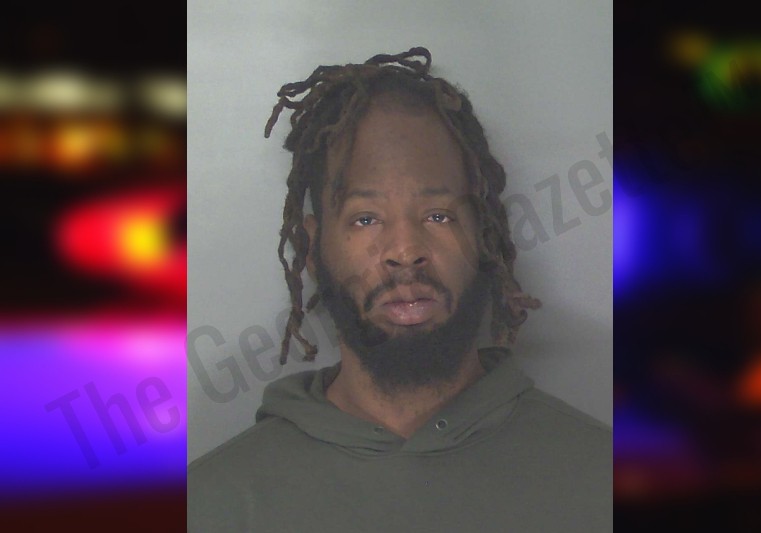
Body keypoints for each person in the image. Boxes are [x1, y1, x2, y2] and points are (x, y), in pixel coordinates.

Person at [188, 47, 611, 532]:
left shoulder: (603, 480)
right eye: (365, 219)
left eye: (438, 215)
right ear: (312, 249)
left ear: (485, 237)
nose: (405, 251)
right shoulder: (207, 505)